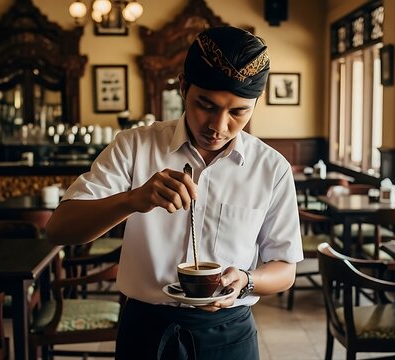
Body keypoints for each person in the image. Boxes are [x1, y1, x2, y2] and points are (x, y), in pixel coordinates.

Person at [46, 25, 303, 360]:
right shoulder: (134, 146)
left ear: (255, 104)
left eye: (238, 111)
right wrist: (133, 199)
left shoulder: (272, 168)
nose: (218, 125)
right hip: (146, 329)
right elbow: (59, 229)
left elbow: (285, 268)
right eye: (206, 105)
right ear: (183, 87)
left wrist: (246, 279)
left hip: (230, 333)